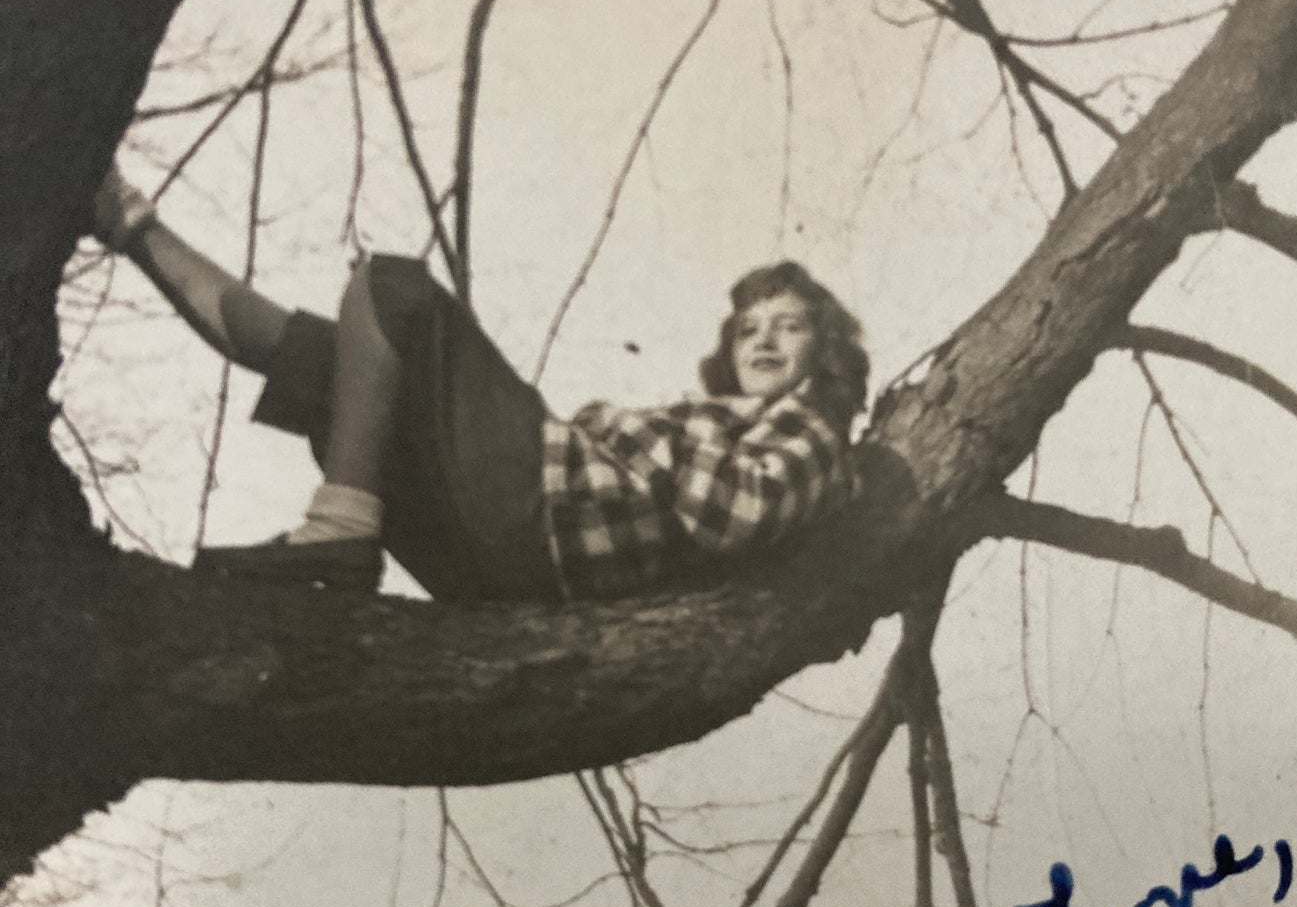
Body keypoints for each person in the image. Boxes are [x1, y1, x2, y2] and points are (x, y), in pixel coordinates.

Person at [91, 166, 868, 603]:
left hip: (539, 520)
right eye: (747, 326)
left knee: (391, 287)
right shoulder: (718, 420)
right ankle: (126, 219)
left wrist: (610, 431)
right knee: (326, 353)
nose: (762, 337)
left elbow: (745, 510)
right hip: (498, 552)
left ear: (824, 346)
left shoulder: (815, 431)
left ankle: (341, 534)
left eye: (788, 324)